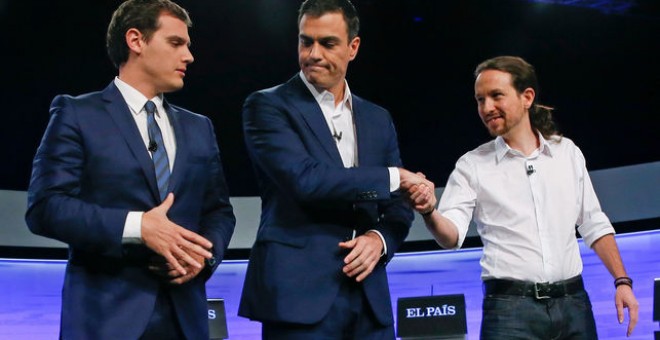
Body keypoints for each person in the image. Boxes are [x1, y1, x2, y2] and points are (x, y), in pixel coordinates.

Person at [25, 0, 236, 338]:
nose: (189, 56)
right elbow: (45, 208)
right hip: (106, 321)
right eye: (176, 43)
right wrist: (139, 226)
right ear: (136, 40)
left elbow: (219, 212)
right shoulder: (77, 114)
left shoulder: (200, 128)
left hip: (186, 321)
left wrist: (204, 259)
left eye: (188, 45)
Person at [406, 55, 639, 339]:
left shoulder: (567, 153)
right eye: (480, 100)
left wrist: (622, 281)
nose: (486, 107)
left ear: (527, 97)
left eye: (496, 96)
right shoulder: (472, 165)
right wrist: (430, 211)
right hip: (509, 312)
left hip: (573, 303)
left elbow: (593, 223)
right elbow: (451, 236)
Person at [237, 0, 428, 338]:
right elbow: (306, 181)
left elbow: (398, 205)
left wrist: (379, 240)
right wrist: (395, 178)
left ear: (353, 48)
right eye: (305, 41)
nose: (313, 54)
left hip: (370, 300)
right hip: (298, 299)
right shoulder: (268, 106)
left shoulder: (377, 118)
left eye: (327, 43)